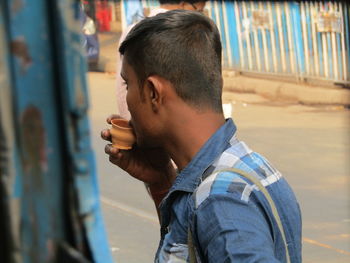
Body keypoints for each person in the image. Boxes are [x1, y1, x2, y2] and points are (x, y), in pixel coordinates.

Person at [102, 10, 302, 262]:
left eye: (128, 84)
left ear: (153, 92)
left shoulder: (220, 202)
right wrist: (163, 181)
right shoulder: (250, 165)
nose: (126, 101)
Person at [116, 0, 207, 120]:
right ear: (183, 4)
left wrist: (129, 122)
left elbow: (122, 86)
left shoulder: (131, 30)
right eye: (199, 10)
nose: (199, 15)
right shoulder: (186, 35)